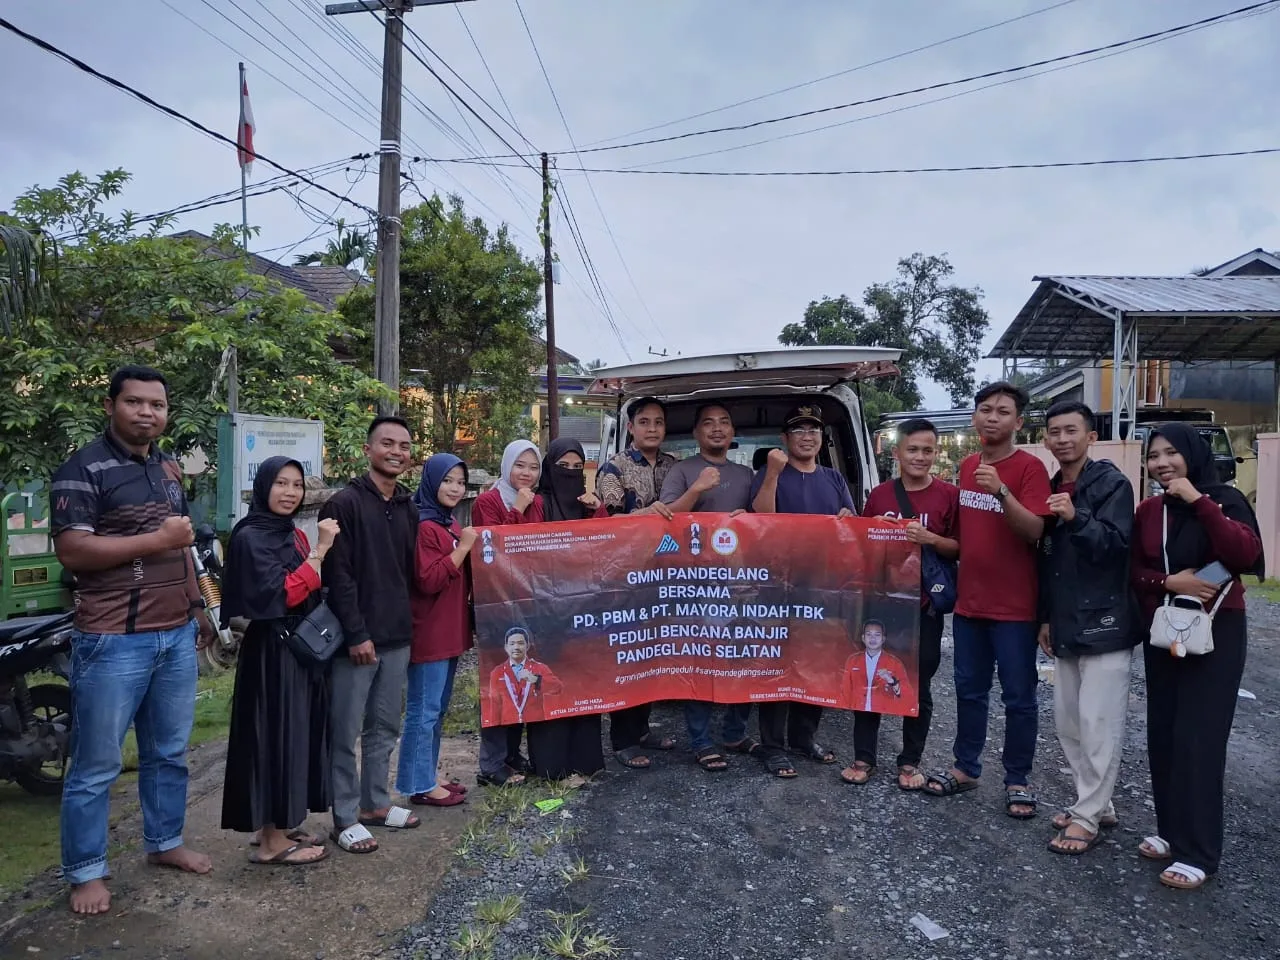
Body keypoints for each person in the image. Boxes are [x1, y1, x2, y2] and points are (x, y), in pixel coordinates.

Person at [50, 365, 211, 915]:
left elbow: (182, 547)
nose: (147, 412)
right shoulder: (81, 470)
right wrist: (156, 538)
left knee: (169, 753)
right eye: (136, 402)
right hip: (112, 638)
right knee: (98, 763)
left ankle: (164, 842)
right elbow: (73, 551)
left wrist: (198, 611)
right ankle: (86, 871)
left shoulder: (167, 469)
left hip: (174, 633)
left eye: (157, 405)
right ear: (110, 405)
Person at [1131, 423, 1262, 890]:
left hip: (1217, 630)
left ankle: (1200, 852)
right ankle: (1171, 832)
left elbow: (1245, 554)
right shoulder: (1148, 511)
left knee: (1199, 739)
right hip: (1164, 628)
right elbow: (1133, 568)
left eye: (1171, 454)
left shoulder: (1223, 501)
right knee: (1163, 734)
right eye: (1154, 456)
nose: (1162, 463)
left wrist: (1198, 502)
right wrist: (1169, 583)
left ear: (1192, 456)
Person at [924, 382, 1051, 820]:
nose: (991, 417)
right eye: (984, 409)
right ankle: (965, 767)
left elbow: (1035, 531)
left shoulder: (1030, 468)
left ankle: (1017, 778)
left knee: (1019, 697)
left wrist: (1000, 491)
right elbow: (963, 536)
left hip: (1015, 608)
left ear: (1018, 422)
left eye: (1002, 411)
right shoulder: (967, 465)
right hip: (970, 604)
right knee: (969, 692)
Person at [220, 457, 337, 865]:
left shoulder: (285, 533)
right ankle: (272, 843)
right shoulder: (252, 537)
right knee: (275, 739)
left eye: (297, 485)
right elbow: (283, 593)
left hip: (295, 648)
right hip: (272, 651)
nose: (289, 492)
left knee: (290, 738)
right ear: (263, 487)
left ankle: (277, 824)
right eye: (281, 484)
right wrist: (321, 550)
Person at [1035, 402, 1136, 855]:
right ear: (1045, 440)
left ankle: (1087, 817)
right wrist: (1044, 617)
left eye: (1071, 430)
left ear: (1090, 437)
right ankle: (1097, 802)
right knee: (1069, 722)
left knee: (1099, 721)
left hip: (1106, 619)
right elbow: (1046, 561)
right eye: (1054, 432)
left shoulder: (1111, 484)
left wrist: (1077, 517)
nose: (1062, 439)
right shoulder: (1051, 486)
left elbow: (1116, 548)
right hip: (1065, 620)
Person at [320, 416, 421, 854]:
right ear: (368, 450)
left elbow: (407, 574)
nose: (396, 451)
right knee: (344, 730)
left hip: (397, 636)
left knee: (384, 725)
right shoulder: (342, 504)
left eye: (404, 445)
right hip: (355, 640)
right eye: (387, 443)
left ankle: (375, 804)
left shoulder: (406, 505)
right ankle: (343, 817)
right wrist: (357, 634)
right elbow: (337, 576)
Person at [850, 418, 959, 790]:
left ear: (936, 453)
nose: (920, 457)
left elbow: (958, 547)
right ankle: (864, 757)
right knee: (869, 680)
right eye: (912, 449)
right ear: (897, 453)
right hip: (882, 606)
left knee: (919, 686)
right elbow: (860, 548)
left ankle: (910, 761)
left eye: (928, 450)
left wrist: (929, 537)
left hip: (924, 607)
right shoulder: (880, 495)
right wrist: (867, 528)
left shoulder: (948, 495)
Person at [750, 404, 854, 778]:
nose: (807, 436)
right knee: (777, 665)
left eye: (813, 430)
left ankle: (803, 737)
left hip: (823, 589)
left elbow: (851, 527)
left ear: (822, 438)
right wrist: (774, 472)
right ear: (784, 439)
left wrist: (847, 521)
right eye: (798, 430)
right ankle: (772, 746)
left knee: (816, 664)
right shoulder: (768, 473)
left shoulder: (834, 478)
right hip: (777, 588)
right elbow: (761, 515)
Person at [659, 403, 756, 774]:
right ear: (697, 433)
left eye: (725, 422)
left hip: (742, 582)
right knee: (699, 658)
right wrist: (697, 489)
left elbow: (769, 523)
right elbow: (666, 520)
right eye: (708, 424)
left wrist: (751, 520)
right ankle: (700, 739)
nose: (717, 429)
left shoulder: (747, 474)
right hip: (696, 583)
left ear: (733, 433)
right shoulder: (682, 470)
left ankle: (735, 731)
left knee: (744, 656)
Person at [596, 397, 679, 770]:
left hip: (667, 576)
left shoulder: (675, 467)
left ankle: (643, 728)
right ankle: (623, 738)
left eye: (658, 422)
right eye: (644, 421)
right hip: (625, 577)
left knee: (656, 655)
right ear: (630, 427)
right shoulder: (613, 468)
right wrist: (649, 514)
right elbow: (612, 519)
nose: (652, 428)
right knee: (629, 655)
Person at [525, 438, 609, 781]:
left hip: (584, 609)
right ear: (550, 469)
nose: (571, 474)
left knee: (584, 685)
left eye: (578, 468)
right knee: (549, 683)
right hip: (545, 610)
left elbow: (607, 546)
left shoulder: (586, 504)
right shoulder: (538, 503)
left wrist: (598, 510)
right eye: (564, 468)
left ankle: (585, 761)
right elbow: (520, 548)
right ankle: (550, 765)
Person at [397, 453, 476, 809]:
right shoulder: (424, 525)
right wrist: (463, 549)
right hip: (429, 631)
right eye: (448, 480)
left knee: (438, 710)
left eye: (460, 482)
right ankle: (417, 783)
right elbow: (428, 580)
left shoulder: (448, 524)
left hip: (450, 630)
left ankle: (426, 774)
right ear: (431, 482)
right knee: (423, 710)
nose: (456, 488)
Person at [472, 439, 542, 787]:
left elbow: (540, 548)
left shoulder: (537, 501)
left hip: (527, 603)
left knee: (522, 678)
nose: (526, 473)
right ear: (506, 466)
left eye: (533, 467)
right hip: (496, 604)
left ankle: (513, 755)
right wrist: (518, 508)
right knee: (498, 680)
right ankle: (491, 763)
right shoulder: (487, 501)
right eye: (520, 465)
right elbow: (496, 549)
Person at [487, 626, 563, 725]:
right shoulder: (497, 672)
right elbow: (495, 704)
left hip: (536, 722)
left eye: (520, 643)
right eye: (512, 644)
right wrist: (495, 726)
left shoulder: (539, 668)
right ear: (506, 647)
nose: (516, 647)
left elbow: (557, 688)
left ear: (527, 646)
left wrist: (535, 679)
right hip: (508, 723)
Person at [840, 620, 916, 712]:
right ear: (863, 638)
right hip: (857, 708)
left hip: (880, 710)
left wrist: (892, 681)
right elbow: (845, 690)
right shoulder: (853, 660)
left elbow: (909, 696)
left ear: (883, 639)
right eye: (869, 634)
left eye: (877, 635)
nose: (873, 639)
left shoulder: (895, 663)